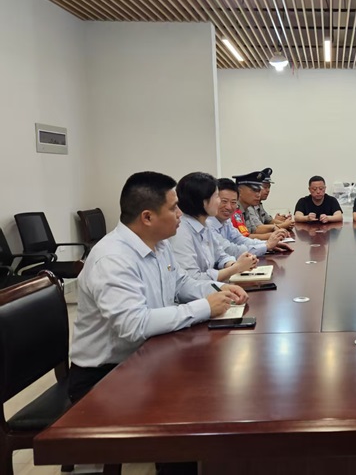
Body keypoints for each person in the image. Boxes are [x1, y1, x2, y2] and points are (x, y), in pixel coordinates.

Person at [68, 171, 249, 402]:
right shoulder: (113, 258)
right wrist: (205, 307)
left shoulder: (159, 244)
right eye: (173, 208)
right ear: (147, 217)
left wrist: (217, 289)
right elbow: (135, 324)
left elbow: (181, 283)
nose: (180, 214)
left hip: (149, 353)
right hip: (106, 375)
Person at [170, 172, 258, 282]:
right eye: (217, 197)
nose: (219, 202)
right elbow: (193, 279)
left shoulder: (206, 224)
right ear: (202, 200)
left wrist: (234, 264)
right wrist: (236, 268)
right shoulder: (181, 231)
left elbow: (221, 256)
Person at [206, 178, 292, 257]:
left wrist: (267, 244)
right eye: (224, 201)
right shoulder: (208, 224)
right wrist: (266, 246)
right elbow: (230, 250)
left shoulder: (226, 221)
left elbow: (240, 240)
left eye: (233, 202)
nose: (228, 207)